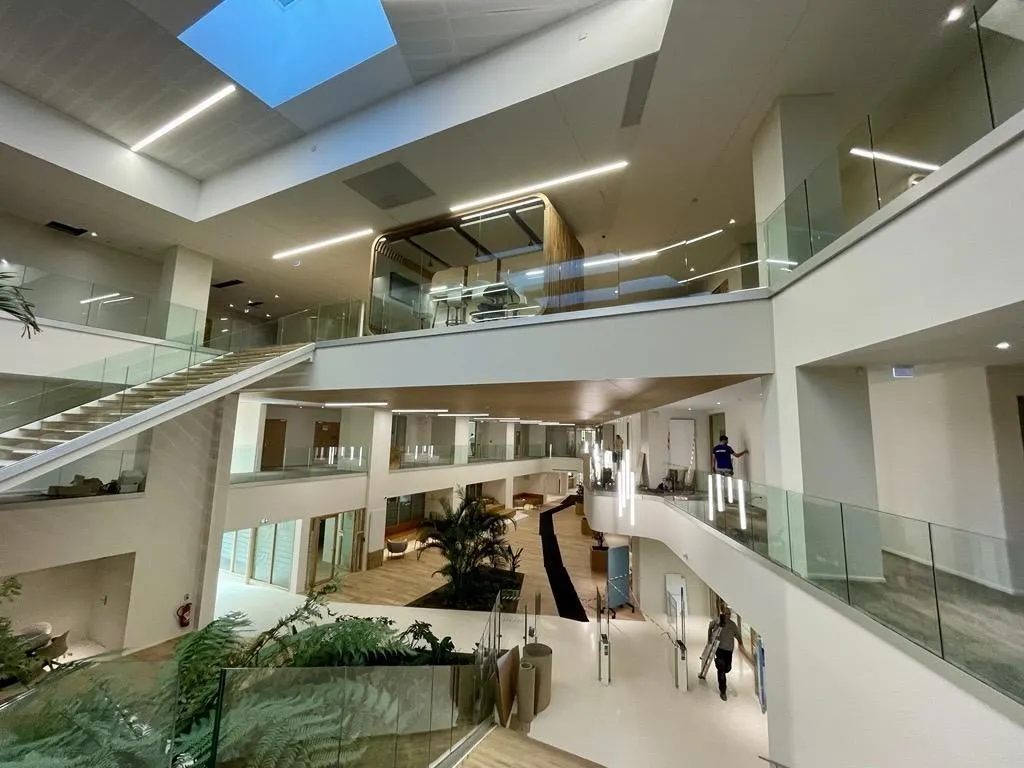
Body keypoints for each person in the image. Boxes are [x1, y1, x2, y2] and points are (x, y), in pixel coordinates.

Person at [708, 608, 742, 701]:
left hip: (729, 651)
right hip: (719, 649)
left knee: (727, 669)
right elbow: (710, 627)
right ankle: (723, 691)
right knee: (721, 669)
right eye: (726, 614)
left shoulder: (732, 625)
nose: (727, 615)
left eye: (729, 614)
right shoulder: (717, 621)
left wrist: (741, 643)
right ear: (723, 613)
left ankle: (721, 665)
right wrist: (709, 638)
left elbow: (737, 635)